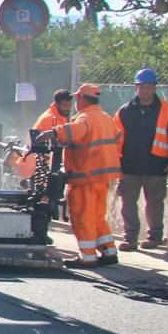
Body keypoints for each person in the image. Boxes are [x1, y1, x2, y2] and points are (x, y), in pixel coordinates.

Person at [44, 83, 125, 268]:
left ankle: (88, 257)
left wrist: (54, 132)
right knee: (97, 215)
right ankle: (109, 251)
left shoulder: (86, 118)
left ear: (82, 99)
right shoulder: (105, 118)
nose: (75, 102)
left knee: (83, 216)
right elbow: (118, 139)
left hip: (85, 177)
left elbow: (76, 130)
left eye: (77, 98)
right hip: (103, 177)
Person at [116, 67, 168, 248]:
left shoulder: (167, 110)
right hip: (129, 167)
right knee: (128, 203)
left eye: (149, 87)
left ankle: (154, 237)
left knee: (155, 203)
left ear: (155, 88)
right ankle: (130, 237)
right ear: (136, 88)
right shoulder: (124, 111)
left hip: (156, 167)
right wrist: (115, 164)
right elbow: (116, 139)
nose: (146, 90)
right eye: (142, 87)